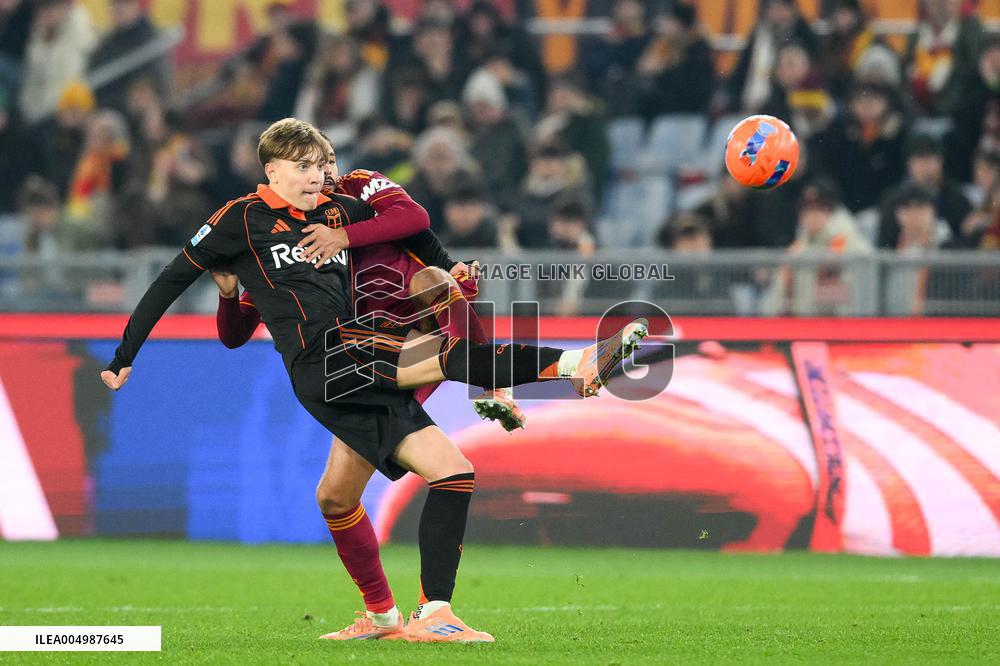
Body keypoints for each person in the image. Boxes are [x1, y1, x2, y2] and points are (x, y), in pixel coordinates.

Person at [100, 117, 648, 643]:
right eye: (303, 166)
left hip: (358, 356)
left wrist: (447, 267)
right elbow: (177, 286)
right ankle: (577, 367)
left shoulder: (340, 210)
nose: (317, 176)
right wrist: (127, 353)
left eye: (321, 165)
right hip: (325, 358)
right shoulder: (240, 222)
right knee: (445, 356)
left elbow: (413, 225)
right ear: (271, 171)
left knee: (433, 477)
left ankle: (409, 614)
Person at [214, 138, 520, 431]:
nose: (326, 171)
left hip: (416, 311)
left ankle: (495, 386)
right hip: (370, 344)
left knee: (434, 279)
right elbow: (234, 336)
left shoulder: (358, 185)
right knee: (337, 486)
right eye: (312, 165)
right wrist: (228, 294)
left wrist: (345, 237)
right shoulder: (278, 243)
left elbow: (414, 219)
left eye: (330, 161)